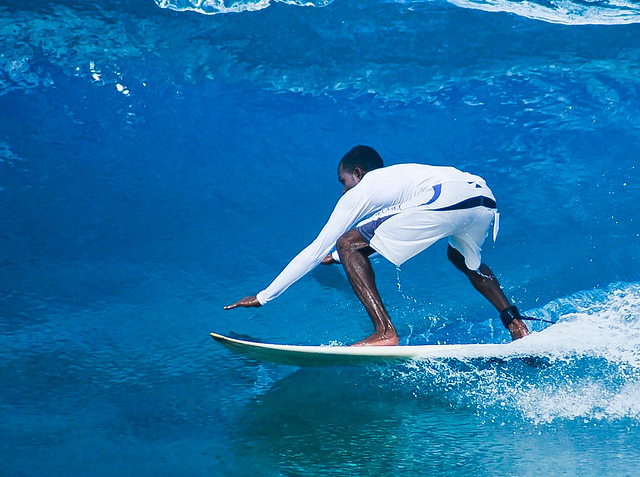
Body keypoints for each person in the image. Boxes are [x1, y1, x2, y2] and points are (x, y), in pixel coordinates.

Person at [225, 145, 530, 346]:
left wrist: (264, 296)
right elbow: (390, 225)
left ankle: (385, 332)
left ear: (358, 173)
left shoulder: (365, 188)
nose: (344, 189)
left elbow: (318, 247)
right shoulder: (404, 176)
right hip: (483, 198)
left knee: (348, 242)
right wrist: (338, 256)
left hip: (446, 199)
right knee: (462, 257)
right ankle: (515, 324)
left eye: (343, 181)